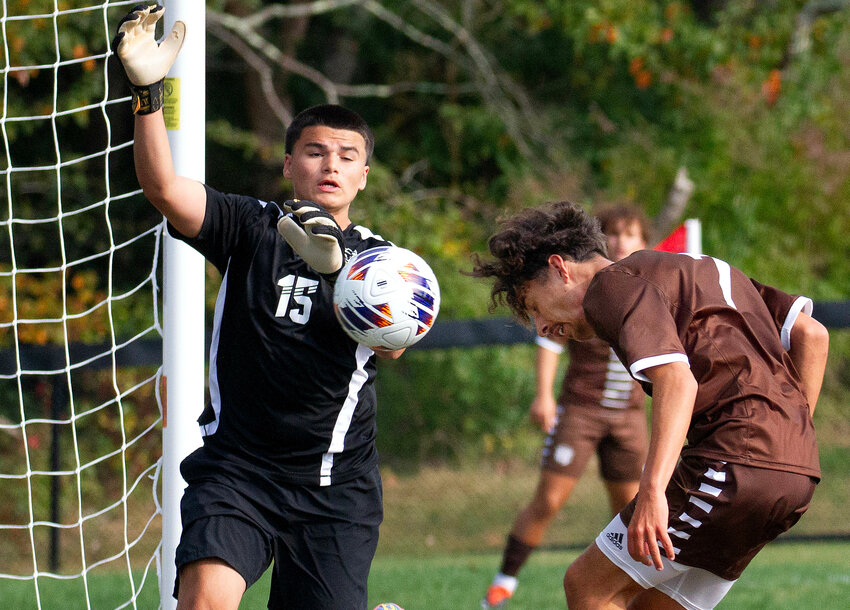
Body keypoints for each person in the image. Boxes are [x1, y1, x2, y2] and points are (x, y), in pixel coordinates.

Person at [113, 6, 405, 608]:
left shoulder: (383, 262)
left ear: (365, 176)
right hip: (238, 472)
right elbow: (164, 188)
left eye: (347, 156)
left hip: (335, 486)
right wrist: (147, 94)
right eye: (315, 152)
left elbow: (396, 341)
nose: (331, 165)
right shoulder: (252, 226)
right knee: (204, 600)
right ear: (288, 164)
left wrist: (342, 281)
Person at [471, 201, 828, 609]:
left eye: (535, 306)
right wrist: (791, 438)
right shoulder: (704, 269)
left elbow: (677, 381)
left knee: (587, 586)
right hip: (797, 476)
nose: (544, 327)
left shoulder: (610, 285)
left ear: (560, 267)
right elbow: (811, 335)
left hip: (733, 461)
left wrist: (652, 490)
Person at [482, 206, 651, 609]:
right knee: (550, 500)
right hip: (583, 410)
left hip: (629, 417)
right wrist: (544, 394)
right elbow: (549, 339)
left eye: (631, 234)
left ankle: (630, 593)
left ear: (644, 242)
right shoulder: (580, 292)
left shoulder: (647, 287)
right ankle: (503, 583)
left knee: (630, 512)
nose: (622, 241)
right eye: (614, 233)